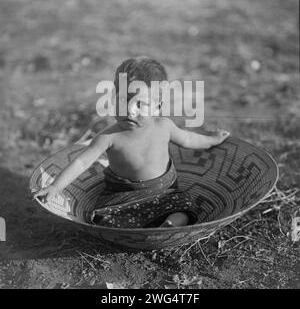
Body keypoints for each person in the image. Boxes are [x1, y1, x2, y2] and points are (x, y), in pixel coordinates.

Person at [33, 57, 230, 228]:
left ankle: (168, 225)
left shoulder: (164, 126)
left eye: (139, 104)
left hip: (165, 193)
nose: (129, 110)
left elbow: (188, 139)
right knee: (104, 218)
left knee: (184, 203)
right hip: (123, 198)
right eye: (123, 100)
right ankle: (146, 226)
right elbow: (81, 162)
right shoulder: (108, 137)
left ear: (157, 107)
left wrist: (211, 140)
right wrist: (56, 187)